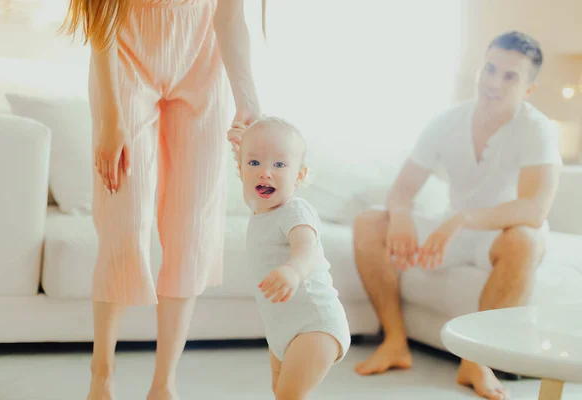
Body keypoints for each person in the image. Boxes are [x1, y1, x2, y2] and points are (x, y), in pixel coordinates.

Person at [59, 1, 262, 399]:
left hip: (203, 62)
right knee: (124, 222)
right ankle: (102, 376)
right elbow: (102, 18)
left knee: (192, 230)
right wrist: (111, 120)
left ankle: (164, 385)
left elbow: (230, 16)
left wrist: (248, 99)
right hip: (125, 58)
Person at [352, 31, 561, 400]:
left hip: (502, 234)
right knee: (371, 220)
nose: (494, 82)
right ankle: (395, 341)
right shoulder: (447, 120)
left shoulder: (538, 129)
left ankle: (475, 362)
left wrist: (462, 219)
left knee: (526, 238)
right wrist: (400, 215)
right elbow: (402, 190)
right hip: (455, 227)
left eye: (510, 76)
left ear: (529, 88)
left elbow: (534, 208)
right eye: (490, 68)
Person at [235, 117, 351, 399]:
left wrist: (293, 271)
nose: (265, 173)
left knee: (290, 395)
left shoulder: (294, 211)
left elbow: (306, 249)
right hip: (281, 329)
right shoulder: (259, 209)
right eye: (254, 164)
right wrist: (241, 139)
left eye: (279, 165)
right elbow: (247, 152)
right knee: (281, 392)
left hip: (315, 324)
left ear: (299, 176)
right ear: (240, 170)